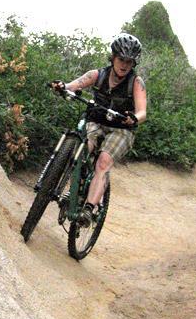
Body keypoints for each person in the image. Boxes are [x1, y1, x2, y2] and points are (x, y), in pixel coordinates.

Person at [52, 33, 147, 221]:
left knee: (103, 161)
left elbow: (142, 111)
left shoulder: (136, 82)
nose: (124, 64)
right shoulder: (98, 75)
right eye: (121, 59)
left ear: (134, 63)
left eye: (129, 61)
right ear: (113, 57)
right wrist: (62, 86)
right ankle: (73, 191)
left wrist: (134, 119)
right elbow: (74, 85)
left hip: (122, 129)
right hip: (96, 122)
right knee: (81, 149)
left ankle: (88, 209)